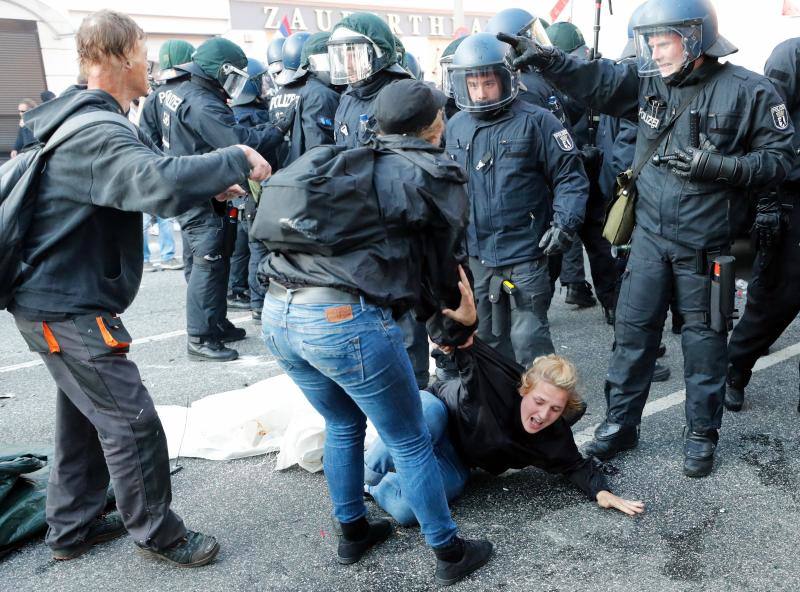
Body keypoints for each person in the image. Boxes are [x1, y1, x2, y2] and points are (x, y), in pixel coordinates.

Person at [9, 9, 269, 565]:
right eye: (143, 52)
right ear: (120, 56)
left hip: (52, 301)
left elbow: (141, 180)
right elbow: (151, 179)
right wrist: (235, 156)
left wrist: (210, 185)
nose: (149, 64)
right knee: (133, 423)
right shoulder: (96, 129)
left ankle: (70, 529)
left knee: (85, 419)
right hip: (66, 307)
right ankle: (160, 533)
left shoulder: (79, 121)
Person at [499, 0, 796, 477]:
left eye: (663, 41)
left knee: (706, 346)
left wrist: (718, 166)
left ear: (695, 37)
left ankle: (702, 433)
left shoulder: (751, 91)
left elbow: (780, 161)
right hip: (651, 243)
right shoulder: (648, 83)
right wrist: (547, 59)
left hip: (712, 247)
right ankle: (621, 424)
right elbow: (597, 81)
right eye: (650, 42)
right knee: (632, 338)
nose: (654, 52)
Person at [258, 79, 493, 586]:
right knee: (408, 437)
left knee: (344, 424)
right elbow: (440, 264)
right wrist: (454, 324)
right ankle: (449, 553)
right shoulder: (429, 171)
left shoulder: (348, 159)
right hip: (341, 321)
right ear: (435, 124)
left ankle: (354, 532)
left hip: (278, 313)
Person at [366, 339, 646, 525]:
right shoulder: (496, 383)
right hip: (438, 412)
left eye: (555, 409)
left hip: (457, 460)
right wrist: (450, 338)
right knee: (426, 415)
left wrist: (602, 492)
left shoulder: (553, 436)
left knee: (408, 512)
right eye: (539, 401)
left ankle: (372, 487)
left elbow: (576, 465)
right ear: (525, 390)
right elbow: (466, 343)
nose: (543, 415)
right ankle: (364, 473)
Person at [445, 32, 588, 368]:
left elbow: (570, 176)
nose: (481, 92)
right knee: (489, 337)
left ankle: (542, 412)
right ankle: (501, 408)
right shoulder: (456, 126)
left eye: (489, 83)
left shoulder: (538, 121)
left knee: (529, 339)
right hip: (478, 253)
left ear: (507, 79)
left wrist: (565, 223)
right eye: (474, 84)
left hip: (525, 249)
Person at [159, 37, 291, 361]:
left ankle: (215, 321)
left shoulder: (176, 91)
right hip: (200, 192)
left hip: (201, 186)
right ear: (219, 72)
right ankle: (201, 336)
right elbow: (237, 142)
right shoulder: (203, 103)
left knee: (212, 254)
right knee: (209, 258)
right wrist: (276, 130)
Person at [328, 13, 431, 388]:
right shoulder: (349, 97)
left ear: (379, 52)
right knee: (365, 312)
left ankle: (414, 392)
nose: (348, 65)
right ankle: (381, 389)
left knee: (404, 314)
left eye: (355, 53)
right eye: (341, 55)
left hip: (395, 220)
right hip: (357, 221)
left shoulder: (401, 92)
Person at [725, 37, 800, 412]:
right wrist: (768, 201)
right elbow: (768, 132)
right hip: (790, 194)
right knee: (776, 297)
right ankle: (735, 367)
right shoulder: (793, 53)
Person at [138, 39, 195, 274]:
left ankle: (180, 265)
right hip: (195, 173)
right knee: (199, 239)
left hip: (168, 172)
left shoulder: (154, 97)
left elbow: (144, 137)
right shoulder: (192, 93)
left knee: (187, 233)